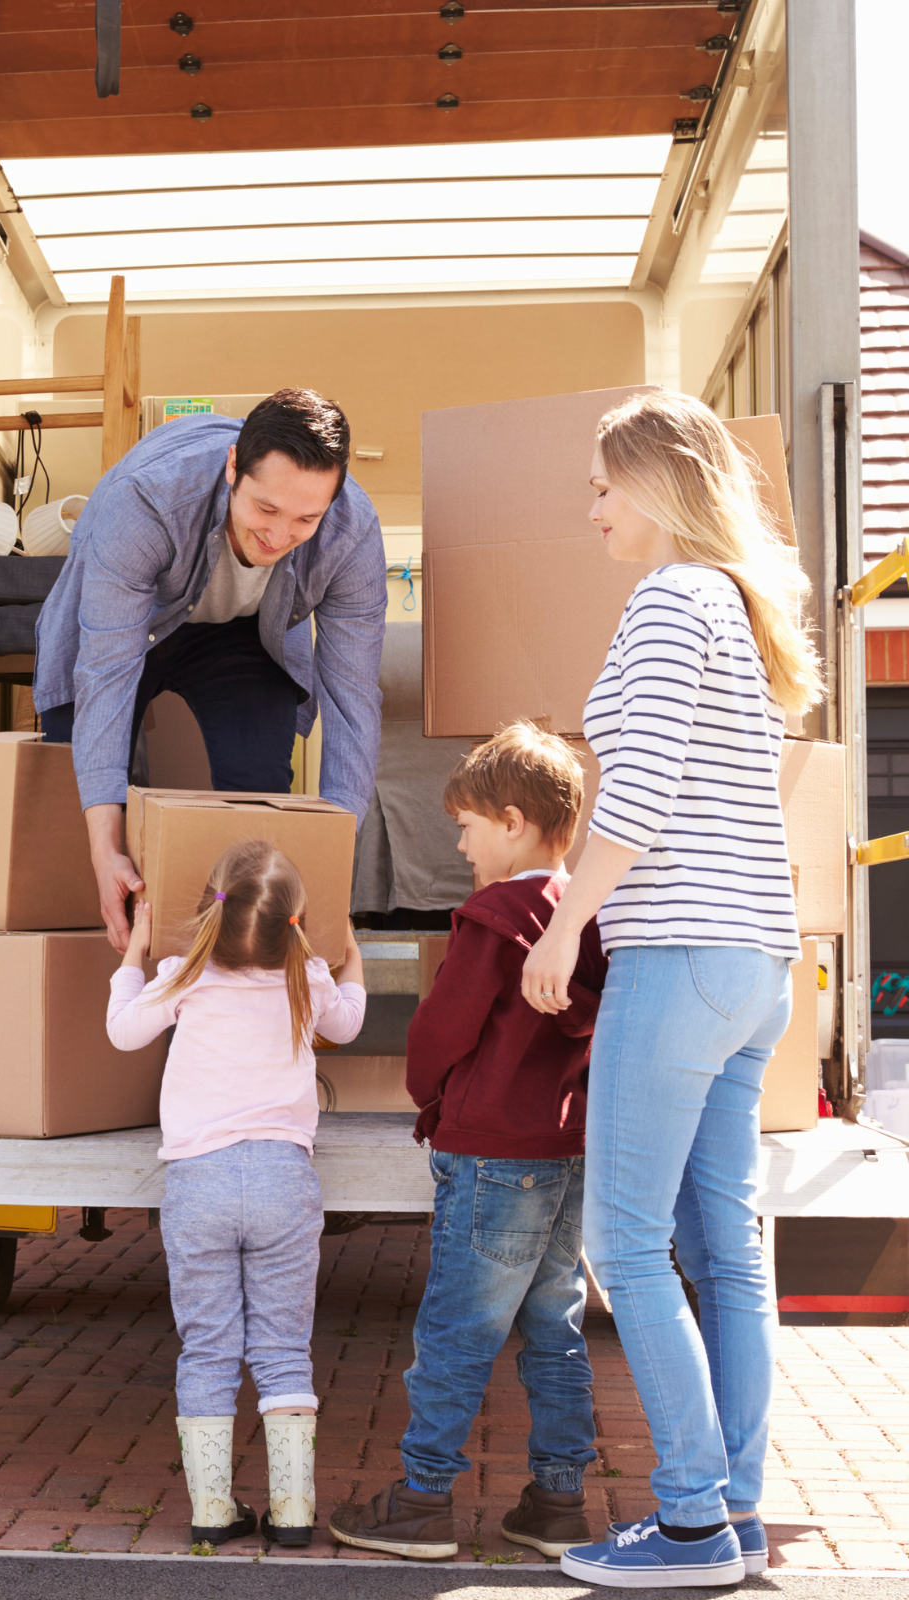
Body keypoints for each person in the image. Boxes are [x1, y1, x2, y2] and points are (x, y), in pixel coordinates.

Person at [520, 391, 820, 1588]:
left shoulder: (665, 601)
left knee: (623, 1243)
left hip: (680, 956)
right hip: (753, 968)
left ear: (653, 480)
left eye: (600, 486)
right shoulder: (736, 611)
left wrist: (563, 928)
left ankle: (690, 1521)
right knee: (723, 1252)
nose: (590, 510)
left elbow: (633, 796)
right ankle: (731, 1514)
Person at [329, 723, 609, 1562]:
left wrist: (432, 1098)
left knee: (455, 1331)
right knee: (555, 1329)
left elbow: (439, 1032)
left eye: (466, 824)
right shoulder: (583, 917)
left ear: (513, 823)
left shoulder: (492, 918)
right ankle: (558, 1503)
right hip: (565, 1153)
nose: (457, 840)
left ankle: (419, 1501)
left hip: (490, 1155)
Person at [34, 391, 388, 952]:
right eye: (266, 509)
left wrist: (329, 870)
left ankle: (234, 984)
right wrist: (105, 847)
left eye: (305, 519)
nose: (278, 535)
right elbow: (105, 672)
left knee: (259, 801)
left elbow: (352, 700)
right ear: (232, 469)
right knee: (78, 826)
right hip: (128, 625)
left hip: (243, 635)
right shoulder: (146, 501)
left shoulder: (352, 533)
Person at [105, 840, 367, 1548]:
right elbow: (349, 1023)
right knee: (284, 1347)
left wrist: (132, 954)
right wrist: (350, 957)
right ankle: (292, 1510)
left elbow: (123, 1031)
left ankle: (214, 1509)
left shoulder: (183, 976)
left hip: (200, 1183)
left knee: (209, 1348)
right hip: (285, 1180)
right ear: (298, 922)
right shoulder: (306, 978)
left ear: (208, 913)